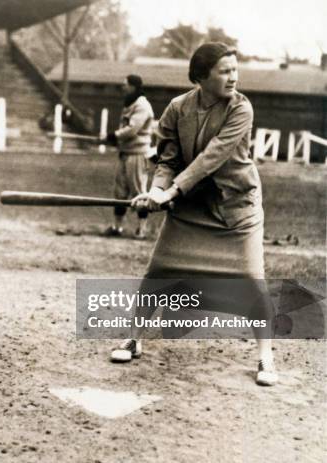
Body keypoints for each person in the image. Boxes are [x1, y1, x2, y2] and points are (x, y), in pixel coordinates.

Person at [109, 43, 278, 386]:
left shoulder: (241, 108)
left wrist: (171, 192)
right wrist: (157, 190)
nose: (234, 77)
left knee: (251, 278)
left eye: (235, 69)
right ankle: (133, 337)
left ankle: (266, 356)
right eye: (225, 71)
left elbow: (211, 158)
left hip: (235, 208)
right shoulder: (178, 108)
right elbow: (168, 158)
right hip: (191, 208)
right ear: (201, 77)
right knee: (158, 271)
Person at [103, 75, 154, 239]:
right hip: (125, 153)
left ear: (133, 87)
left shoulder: (142, 105)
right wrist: (114, 139)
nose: (122, 88)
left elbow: (132, 129)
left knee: (139, 192)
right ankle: (117, 227)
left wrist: (114, 136)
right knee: (119, 192)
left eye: (125, 85)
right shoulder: (130, 103)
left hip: (138, 155)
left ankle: (142, 229)